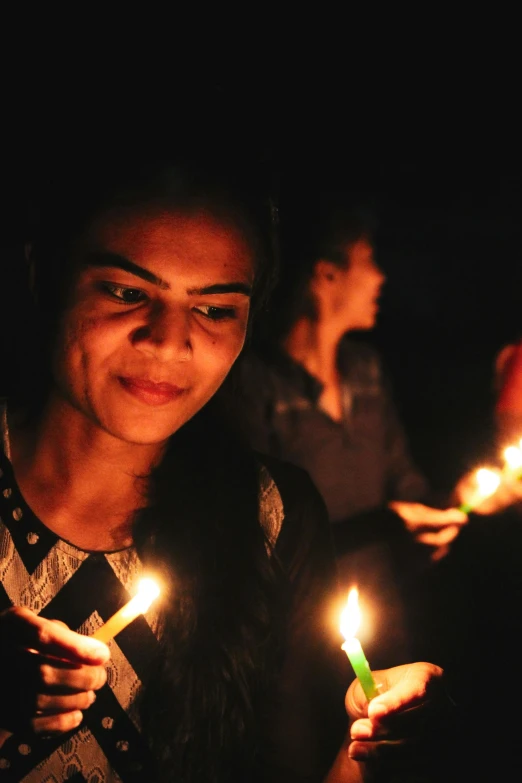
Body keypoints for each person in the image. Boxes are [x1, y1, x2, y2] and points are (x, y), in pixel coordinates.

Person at [0, 154, 452, 782]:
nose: (168, 340)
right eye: (128, 292)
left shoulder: (272, 516)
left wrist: (368, 748)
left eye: (214, 309)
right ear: (42, 273)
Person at [236, 202, 468, 665]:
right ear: (325, 275)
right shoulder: (253, 383)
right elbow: (257, 533)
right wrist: (387, 523)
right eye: (369, 260)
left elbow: (404, 483)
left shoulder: (366, 370)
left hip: (386, 620)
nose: (382, 277)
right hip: (294, 639)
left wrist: (454, 504)